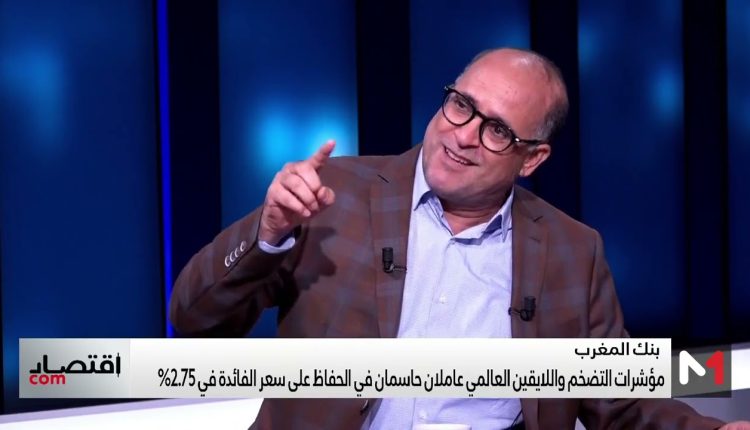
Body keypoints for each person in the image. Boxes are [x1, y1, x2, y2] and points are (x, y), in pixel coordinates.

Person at [170, 48, 749, 429]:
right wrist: (268, 233)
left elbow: (619, 401)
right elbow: (194, 319)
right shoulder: (333, 195)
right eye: (460, 106)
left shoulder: (573, 252)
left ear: (532, 159)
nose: (463, 135)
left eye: (496, 129)